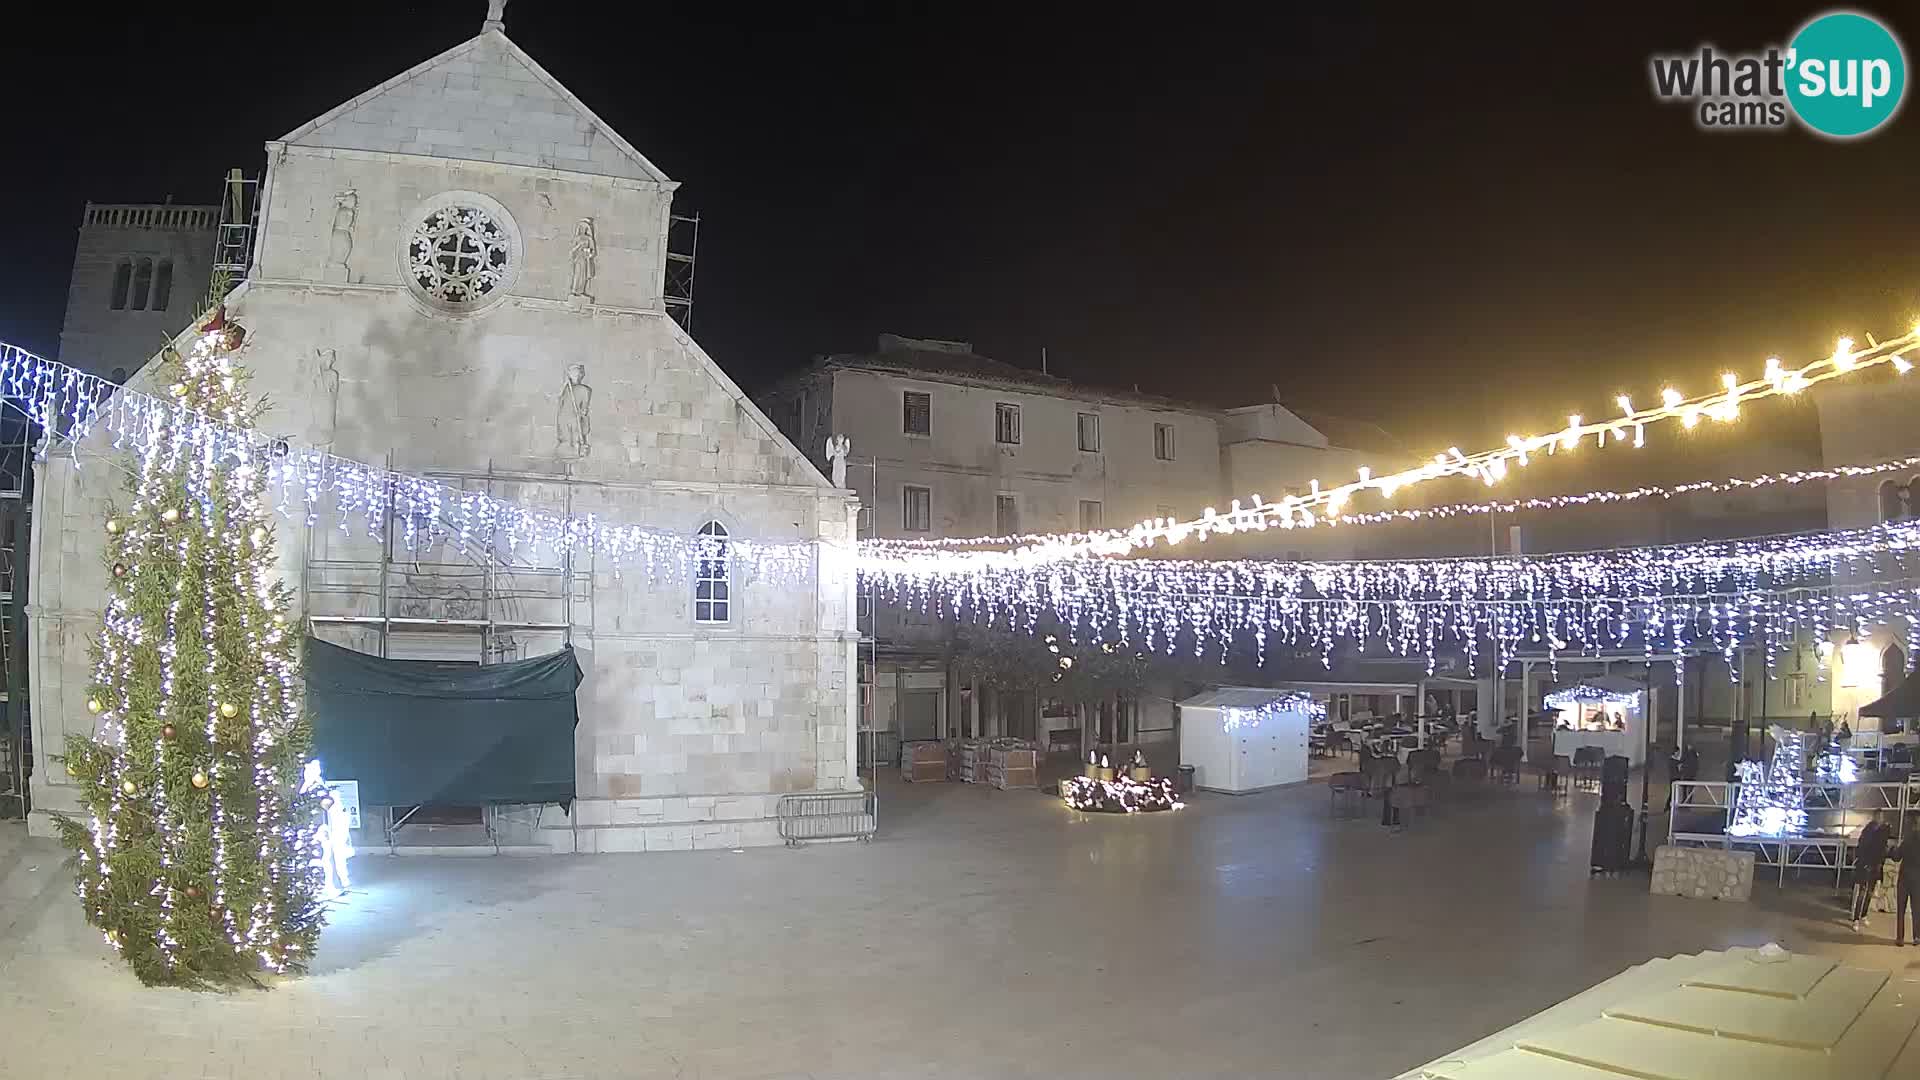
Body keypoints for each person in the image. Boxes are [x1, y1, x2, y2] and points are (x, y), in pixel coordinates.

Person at [1851, 817, 1890, 932]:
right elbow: (1862, 852)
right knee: (1864, 893)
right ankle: (1857, 918)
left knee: (1867, 893)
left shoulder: (1877, 839)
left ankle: (1861, 917)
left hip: (1871, 867)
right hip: (1867, 867)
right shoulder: (1870, 838)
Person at [1896, 817, 1920, 946]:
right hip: (1918, 880)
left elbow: (1896, 857)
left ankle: (1900, 938)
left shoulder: (1907, 841)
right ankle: (1917, 937)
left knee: (1901, 909)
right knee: (1917, 909)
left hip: (1904, 879)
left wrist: (1890, 850)